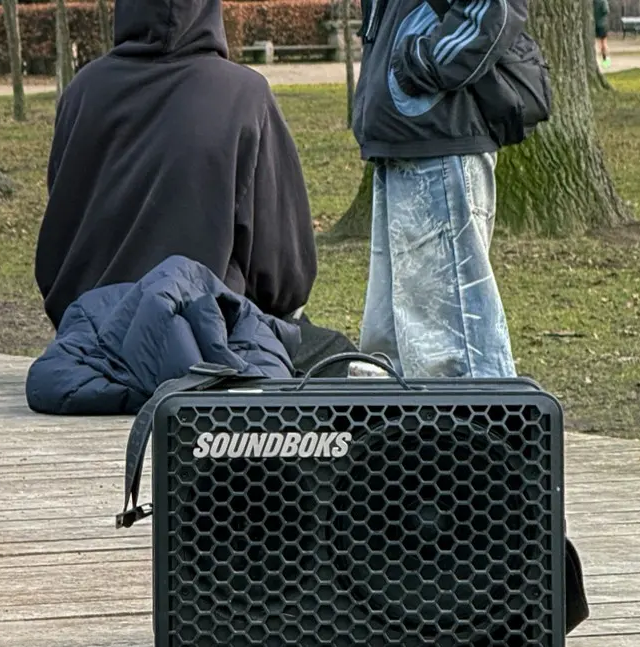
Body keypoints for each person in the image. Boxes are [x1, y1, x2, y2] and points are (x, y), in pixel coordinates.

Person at [33, 0, 349, 375]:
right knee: (343, 360)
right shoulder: (245, 95)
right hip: (206, 343)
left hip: (93, 341)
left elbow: (58, 241)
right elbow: (283, 272)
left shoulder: (82, 92)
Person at [353, 0, 547, 378]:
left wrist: (426, 63)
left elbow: (493, 8)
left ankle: (477, 417)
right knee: (394, 351)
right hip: (404, 133)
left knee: (454, 353)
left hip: (438, 134)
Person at [594, 0, 611, 69]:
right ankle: (605, 61)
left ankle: (596, 60)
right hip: (602, 24)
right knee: (603, 43)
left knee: (594, 43)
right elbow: (606, 11)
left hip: (594, 24)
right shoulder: (603, 1)